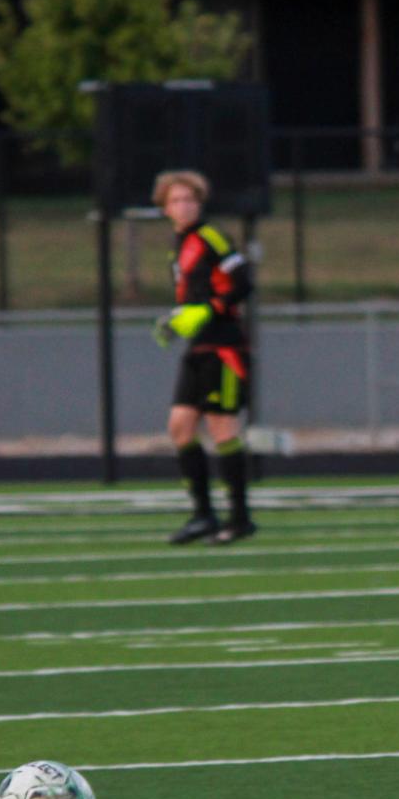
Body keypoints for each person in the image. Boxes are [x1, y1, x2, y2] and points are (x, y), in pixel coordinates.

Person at [153, 169, 256, 545]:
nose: (184, 206)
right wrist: (177, 320)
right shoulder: (178, 245)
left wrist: (210, 309)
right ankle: (203, 515)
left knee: (221, 428)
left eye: (190, 199)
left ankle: (240, 517)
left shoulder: (211, 236)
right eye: (176, 200)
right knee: (180, 427)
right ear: (165, 208)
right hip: (198, 346)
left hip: (224, 346)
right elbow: (193, 297)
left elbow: (243, 282)